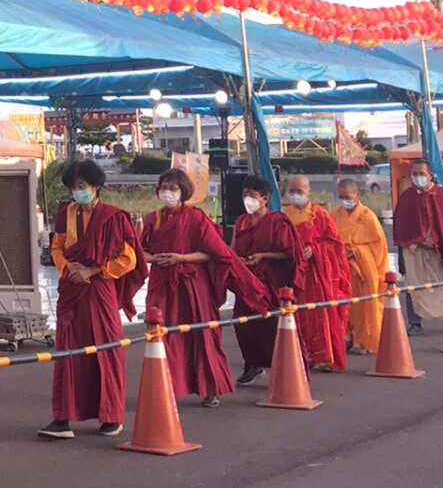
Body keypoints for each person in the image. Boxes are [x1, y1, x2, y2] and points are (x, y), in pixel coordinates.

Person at [140, 167, 270, 407]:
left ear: (184, 191)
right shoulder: (152, 219)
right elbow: (139, 251)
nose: (168, 192)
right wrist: (152, 258)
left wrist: (181, 258)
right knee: (162, 336)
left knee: (202, 335)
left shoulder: (196, 218)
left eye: (173, 188)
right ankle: (166, 388)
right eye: (164, 188)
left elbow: (214, 253)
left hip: (191, 285)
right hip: (162, 284)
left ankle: (210, 389)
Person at [38, 158, 142, 440]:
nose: (77, 192)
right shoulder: (65, 213)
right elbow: (57, 247)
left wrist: (94, 270)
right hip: (71, 288)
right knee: (67, 352)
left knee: (106, 349)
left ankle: (112, 417)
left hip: (99, 289)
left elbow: (128, 258)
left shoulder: (113, 216)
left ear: (96, 187)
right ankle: (62, 417)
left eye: (81, 186)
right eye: (73, 187)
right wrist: (68, 267)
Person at [228, 175, 299, 384]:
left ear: (265, 199)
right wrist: (237, 260)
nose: (247, 200)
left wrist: (263, 256)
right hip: (247, 281)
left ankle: (285, 367)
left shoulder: (278, 222)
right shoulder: (241, 222)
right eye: (244, 195)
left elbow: (290, 253)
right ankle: (252, 364)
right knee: (244, 324)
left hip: (271, 281)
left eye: (252, 196)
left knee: (273, 324)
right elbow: (232, 248)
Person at [281, 176, 351, 372]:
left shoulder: (319, 214)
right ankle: (303, 355)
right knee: (299, 316)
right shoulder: (285, 216)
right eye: (292, 190)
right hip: (295, 275)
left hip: (318, 276)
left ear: (309, 191)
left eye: (300, 191)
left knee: (321, 316)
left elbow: (335, 244)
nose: (295, 194)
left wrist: (315, 250)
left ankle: (326, 356)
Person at [392, 164, 443, 325]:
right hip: (415, 251)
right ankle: (415, 322)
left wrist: (438, 239)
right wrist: (416, 240)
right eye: (414, 174)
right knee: (413, 285)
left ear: (430, 175)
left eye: (421, 173)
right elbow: (401, 226)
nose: (417, 177)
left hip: (440, 249)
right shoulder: (407, 197)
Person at [334, 179, 389, 353]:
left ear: (357, 195)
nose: (345, 200)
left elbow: (378, 246)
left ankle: (364, 340)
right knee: (343, 305)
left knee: (363, 307)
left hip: (362, 271)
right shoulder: (334, 215)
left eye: (348, 196)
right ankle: (346, 337)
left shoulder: (368, 216)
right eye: (341, 197)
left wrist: (356, 252)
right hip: (341, 269)